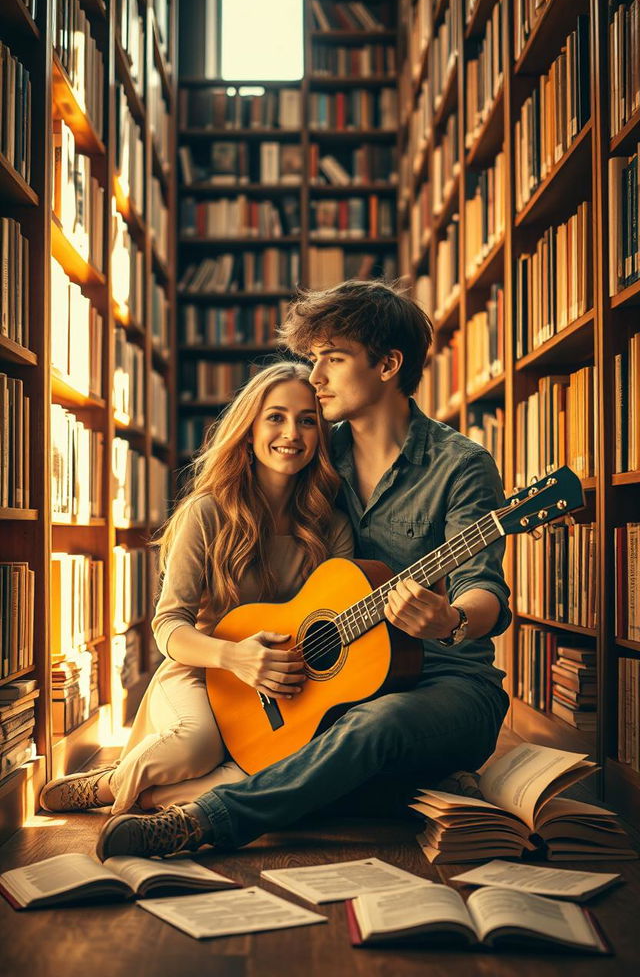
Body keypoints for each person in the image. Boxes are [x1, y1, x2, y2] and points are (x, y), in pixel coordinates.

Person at [95, 278, 511, 860]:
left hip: (445, 681)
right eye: (313, 360)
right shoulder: (313, 450)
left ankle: (203, 822)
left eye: (332, 361)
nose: (314, 381)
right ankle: (405, 790)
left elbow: (483, 587)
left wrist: (450, 620)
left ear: (389, 364)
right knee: (335, 751)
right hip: (338, 680)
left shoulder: (460, 465)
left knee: (369, 732)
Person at [40, 362, 353, 816]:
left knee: (293, 762)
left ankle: (129, 792)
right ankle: (115, 780)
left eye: (308, 420)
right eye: (276, 417)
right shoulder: (206, 512)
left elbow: (338, 612)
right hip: (202, 668)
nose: (293, 432)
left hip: (283, 683)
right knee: (197, 745)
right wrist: (234, 656)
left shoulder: (332, 526)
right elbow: (168, 625)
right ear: (248, 430)